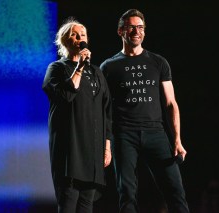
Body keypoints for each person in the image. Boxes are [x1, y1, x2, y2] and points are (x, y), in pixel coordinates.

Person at [100, 9, 190, 213]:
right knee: (127, 193)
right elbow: (104, 109)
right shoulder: (108, 67)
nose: (136, 32)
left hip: (155, 134)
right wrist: (106, 143)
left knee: (175, 191)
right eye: (131, 27)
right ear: (121, 31)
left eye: (140, 28)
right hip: (123, 135)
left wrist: (177, 140)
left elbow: (170, 104)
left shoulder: (158, 62)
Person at [42, 18, 112, 213]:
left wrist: (107, 146)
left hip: (93, 150)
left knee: (86, 206)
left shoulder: (97, 73)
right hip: (70, 149)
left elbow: (106, 110)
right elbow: (65, 95)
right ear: (65, 40)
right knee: (68, 203)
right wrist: (79, 66)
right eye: (74, 34)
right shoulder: (56, 69)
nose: (80, 37)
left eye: (83, 34)